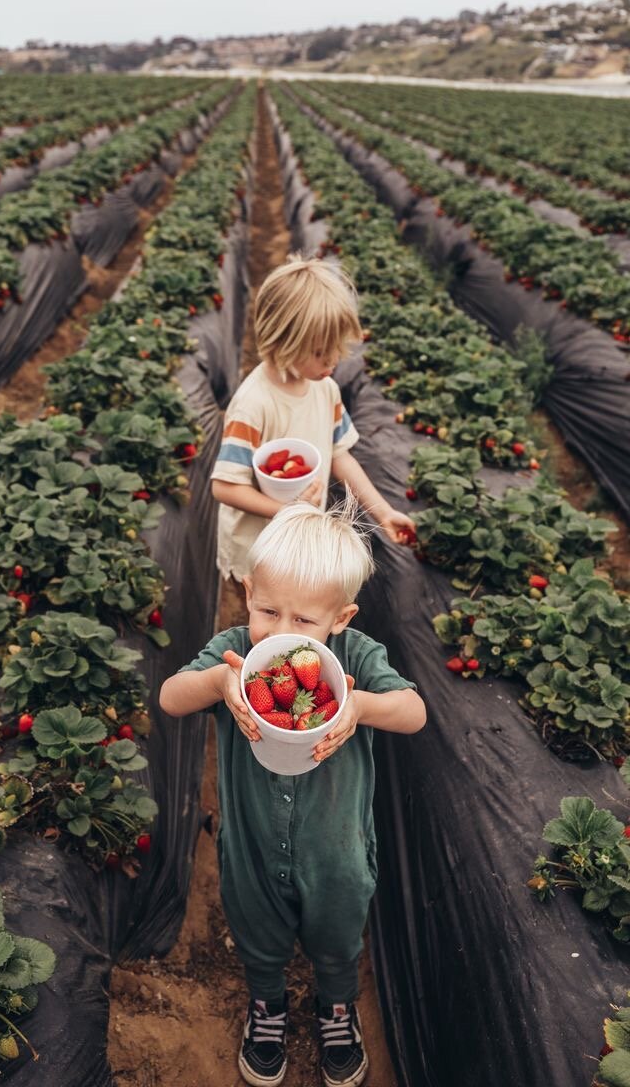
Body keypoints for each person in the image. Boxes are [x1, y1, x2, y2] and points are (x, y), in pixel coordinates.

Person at [160, 497, 426, 1087]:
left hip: (337, 851)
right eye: (268, 610)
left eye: (304, 621)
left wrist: (359, 706)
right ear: (248, 592)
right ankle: (267, 1004)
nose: (281, 633)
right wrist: (218, 681)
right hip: (251, 847)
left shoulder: (357, 658)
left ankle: (337, 1006)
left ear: (342, 617)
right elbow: (170, 698)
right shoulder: (235, 655)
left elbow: (414, 713)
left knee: (338, 936)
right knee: (257, 932)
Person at [211, 254, 416, 588]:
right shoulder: (253, 405)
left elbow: (339, 455)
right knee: (261, 610)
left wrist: (382, 512)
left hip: (298, 545)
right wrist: (285, 509)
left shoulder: (326, 390)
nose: (333, 360)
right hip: (258, 551)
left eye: (337, 348)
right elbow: (224, 486)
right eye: (321, 352)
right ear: (282, 340)